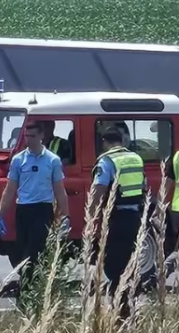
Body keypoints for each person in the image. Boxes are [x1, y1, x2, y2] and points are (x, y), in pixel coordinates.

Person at [0, 123, 69, 305]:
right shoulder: (19, 160)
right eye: (26, 136)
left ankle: (25, 294)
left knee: (33, 252)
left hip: (42, 210)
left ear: (41, 136)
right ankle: (33, 286)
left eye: (33, 136)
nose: (29, 140)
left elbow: (60, 190)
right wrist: (0, 214)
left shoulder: (52, 160)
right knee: (19, 252)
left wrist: (65, 216)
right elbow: (10, 189)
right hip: (23, 210)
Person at [88, 127, 146, 321]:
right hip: (136, 219)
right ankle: (133, 310)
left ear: (105, 142)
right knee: (133, 264)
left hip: (117, 220)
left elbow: (99, 190)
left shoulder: (106, 161)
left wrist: (92, 218)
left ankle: (119, 312)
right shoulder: (136, 158)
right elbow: (144, 187)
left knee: (115, 267)